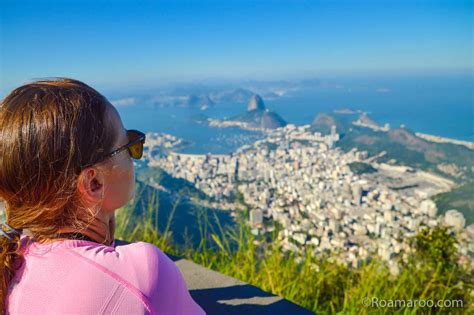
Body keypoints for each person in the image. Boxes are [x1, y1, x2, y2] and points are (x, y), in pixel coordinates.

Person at [0, 78, 206, 314]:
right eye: (129, 145)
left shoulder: (11, 263)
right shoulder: (142, 274)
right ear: (94, 182)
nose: (134, 154)